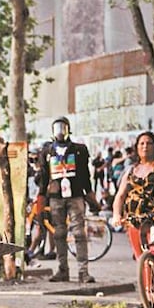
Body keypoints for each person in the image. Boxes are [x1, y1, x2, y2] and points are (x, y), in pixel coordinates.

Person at [36, 117, 95, 283]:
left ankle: (83, 271)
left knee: (78, 232)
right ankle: (63, 269)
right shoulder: (47, 151)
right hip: (56, 197)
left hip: (75, 195)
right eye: (57, 127)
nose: (60, 130)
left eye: (63, 127)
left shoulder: (79, 150)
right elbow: (44, 178)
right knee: (59, 233)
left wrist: (90, 196)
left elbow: (85, 176)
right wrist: (41, 200)